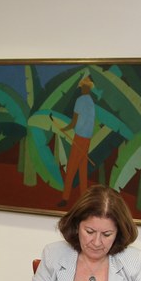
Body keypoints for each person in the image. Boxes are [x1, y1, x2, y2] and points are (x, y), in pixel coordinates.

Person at [33, 184, 141, 281]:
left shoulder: (132, 260)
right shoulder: (53, 254)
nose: (97, 242)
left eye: (106, 234)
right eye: (90, 232)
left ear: (118, 233)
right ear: (76, 226)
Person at [57, 75, 95, 207]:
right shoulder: (91, 102)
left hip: (79, 138)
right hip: (87, 139)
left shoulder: (80, 100)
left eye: (83, 87)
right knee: (82, 169)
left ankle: (65, 197)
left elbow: (73, 122)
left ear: (85, 87)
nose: (82, 89)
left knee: (72, 168)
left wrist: (64, 129)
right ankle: (84, 198)